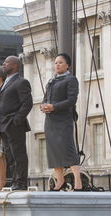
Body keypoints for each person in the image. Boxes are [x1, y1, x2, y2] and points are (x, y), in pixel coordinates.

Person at [41, 53, 83, 191]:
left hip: (63, 119)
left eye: (60, 62)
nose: (57, 65)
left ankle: (78, 181)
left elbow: (71, 100)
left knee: (68, 148)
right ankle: (60, 181)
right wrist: (44, 106)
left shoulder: (71, 80)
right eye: (55, 63)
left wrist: (54, 107)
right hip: (50, 120)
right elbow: (45, 98)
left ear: (67, 65)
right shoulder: (51, 81)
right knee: (53, 150)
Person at [0, 56, 33, 190]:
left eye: (6, 63)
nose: (3, 64)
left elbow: (27, 103)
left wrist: (17, 120)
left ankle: (21, 182)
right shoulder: (5, 83)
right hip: (3, 124)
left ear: (16, 66)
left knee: (19, 154)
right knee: (10, 156)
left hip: (14, 124)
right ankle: (15, 181)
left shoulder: (21, 82)